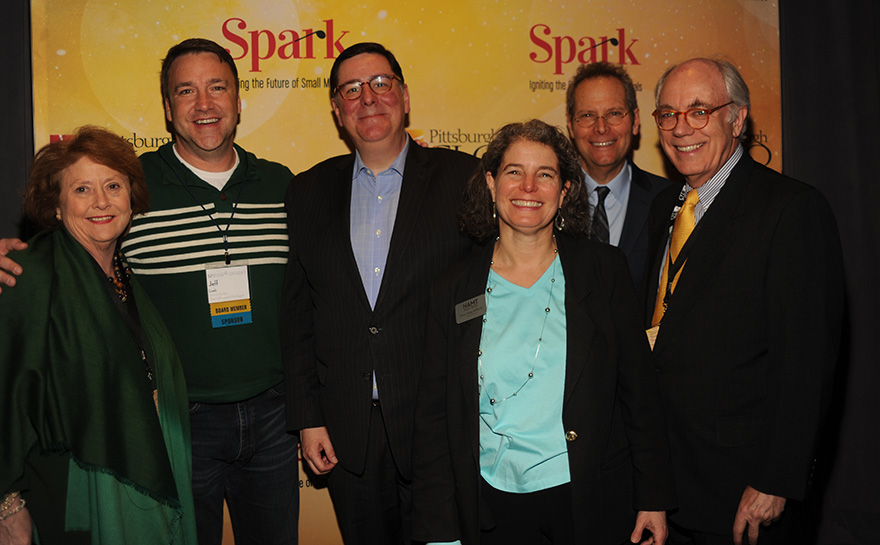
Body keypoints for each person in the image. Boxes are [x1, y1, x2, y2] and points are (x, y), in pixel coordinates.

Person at [0, 38, 299, 545]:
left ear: (239, 99)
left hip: (274, 417)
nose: (204, 104)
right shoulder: (139, 183)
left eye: (217, 87)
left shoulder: (283, 185)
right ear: (167, 107)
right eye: (186, 91)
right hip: (179, 423)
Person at [410, 119, 675, 545]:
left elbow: (640, 394)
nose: (528, 187)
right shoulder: (452, 289)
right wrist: (440, 532)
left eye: (545, 174)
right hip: (491, 505)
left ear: (565, 190)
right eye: (514, 172)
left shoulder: (604, 271)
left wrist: (653, 498)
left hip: (589, 499)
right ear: (492, 184)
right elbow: (434, 421)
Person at [281, 42, 479, 544]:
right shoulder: (307, 191)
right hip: (349, 433)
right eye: (351, 89)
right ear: (336, 109)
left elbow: (490, 292)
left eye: (381, 83)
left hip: (438, 425)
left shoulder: (463, 178)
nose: (367, 98)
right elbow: (298, 316)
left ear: (405, 96)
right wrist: (307, 418)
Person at [644, 57, 844, 545]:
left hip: (742, 494)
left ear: (737, 118)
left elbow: (806, 360)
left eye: (698, 111)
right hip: (666, 485)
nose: (680, 128)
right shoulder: (662, 208)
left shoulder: (792, 210)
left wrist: (776, 479)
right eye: (667, 114)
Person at [0, 126, 197, 544]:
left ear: (131, 196)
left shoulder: (125, 276)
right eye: (82, 190)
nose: (101, 202)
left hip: (137, 482)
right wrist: (8, 505)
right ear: (56, 206)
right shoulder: (29, 275)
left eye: (113, 185)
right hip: (70, 496)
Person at [565, 62, 671, 298]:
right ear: (571, 125)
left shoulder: (670, 202)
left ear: (635, 121)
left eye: (614, 113)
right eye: (587, 115)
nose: (601, 128)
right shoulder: (548, 201)